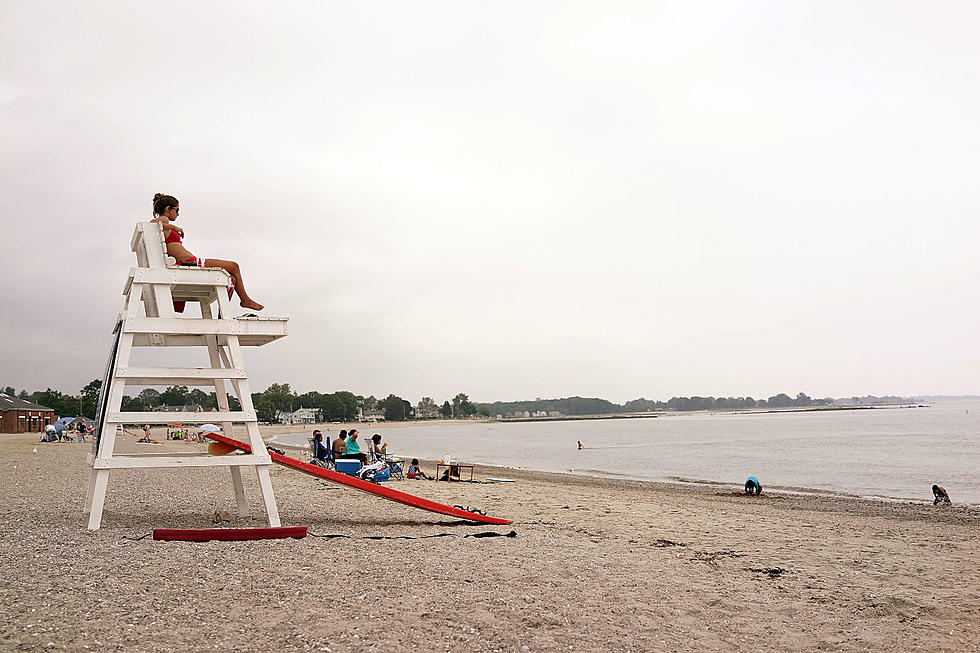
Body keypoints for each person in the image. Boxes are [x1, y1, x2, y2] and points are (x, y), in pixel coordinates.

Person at [149, 193, 264, 311]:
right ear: (168, 209)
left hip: (188, 262)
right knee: (234, 266)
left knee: (231, 279)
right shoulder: (164, 220)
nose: (178, 213)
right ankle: (245, 300)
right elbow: (152, 225)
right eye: (177, 210)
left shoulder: (165, 224)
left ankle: (223, 317)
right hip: (189, 262)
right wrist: (175, 228)